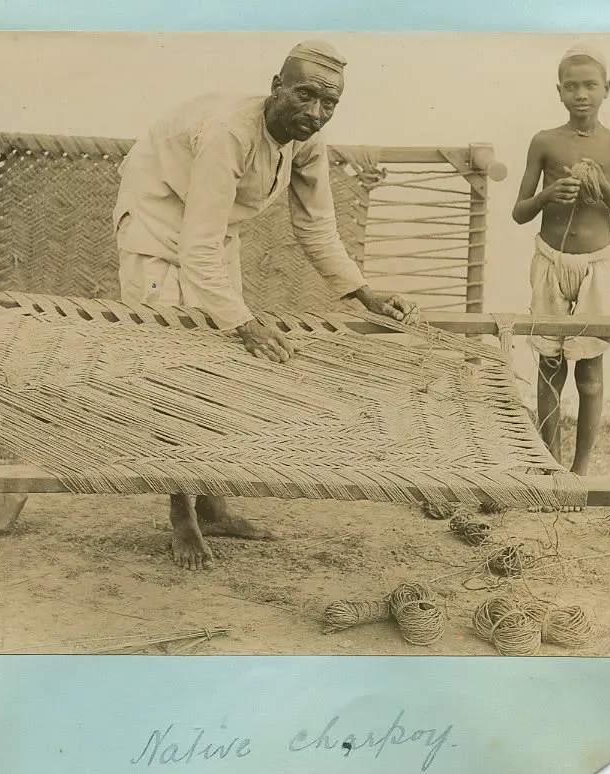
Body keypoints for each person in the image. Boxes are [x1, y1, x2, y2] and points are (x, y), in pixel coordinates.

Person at [113, 39, 417, 569]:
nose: (315, 113)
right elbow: (194, 245)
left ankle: (212, 507)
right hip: (159, 229)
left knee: (220, 368)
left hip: (207, 237)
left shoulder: (306, 141)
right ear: (275, 87)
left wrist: (365, 294)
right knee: (175, 375)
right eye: (304, 96)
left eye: (329, 104)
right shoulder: (231, 132)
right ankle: (181, 513)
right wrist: (245, 323)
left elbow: (316, 226)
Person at [511, 44, 610, 506]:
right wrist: (550, 195)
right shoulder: (545, 141)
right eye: (572, 86)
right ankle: (550, 467)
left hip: (596, 268)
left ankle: (580, 472)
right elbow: (519, 211)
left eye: (590, 85)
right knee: (550, 367)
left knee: (589, 370)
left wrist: (602, 188)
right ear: (559, 91)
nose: (581, 94)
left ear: (607, 90)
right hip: (550, 261)